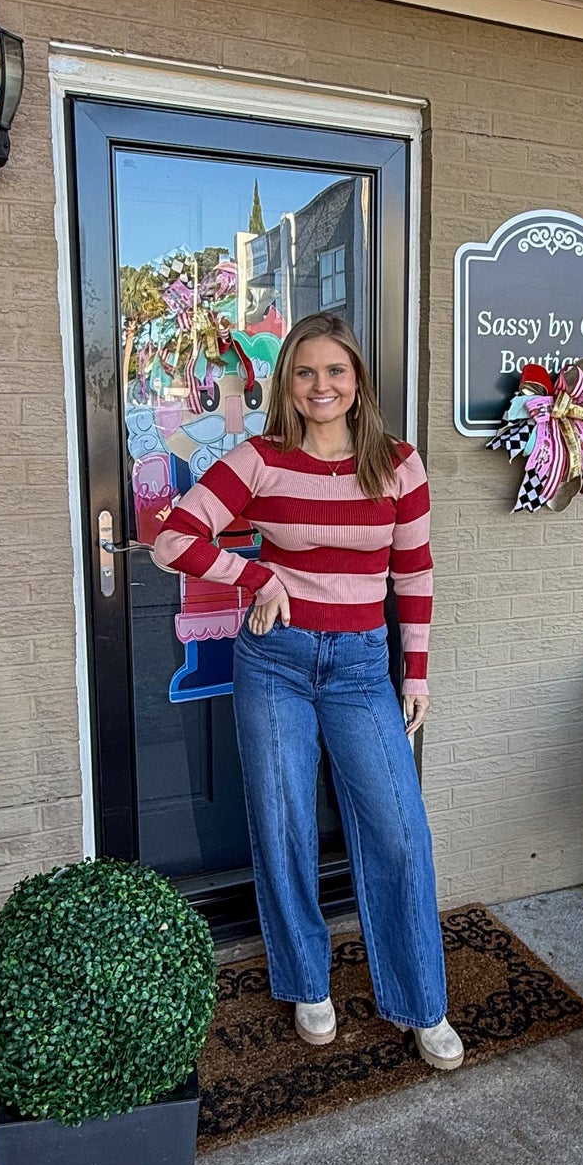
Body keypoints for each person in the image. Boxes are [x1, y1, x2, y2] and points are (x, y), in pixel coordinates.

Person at [152, 312, 463, 1070]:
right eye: (304, 372)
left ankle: (420, 998)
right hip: (276, 663)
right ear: (286, 382)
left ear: (357, 382)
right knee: (284, 823)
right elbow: (172, 539)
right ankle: (305, 982)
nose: (320, 385)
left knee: (398, 830)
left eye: (335, 371)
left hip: (361, 667)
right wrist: (255, 574)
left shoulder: (396, 464)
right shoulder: (259, 460)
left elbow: (413, 575)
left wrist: (413, 670)